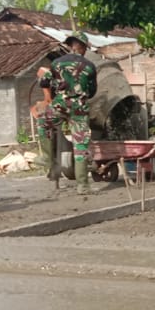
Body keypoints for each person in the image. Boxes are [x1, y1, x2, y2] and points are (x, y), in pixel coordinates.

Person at [35, 32, 97, 194]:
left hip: (60, 105)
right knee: (81, 145)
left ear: (71, 45)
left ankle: (47, 159)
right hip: (80, 109)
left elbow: (44, 81)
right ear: (82, 47)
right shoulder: (90, 66)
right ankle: (83, 186)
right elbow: (92, 91)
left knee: (43, 122)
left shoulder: (56, 63)